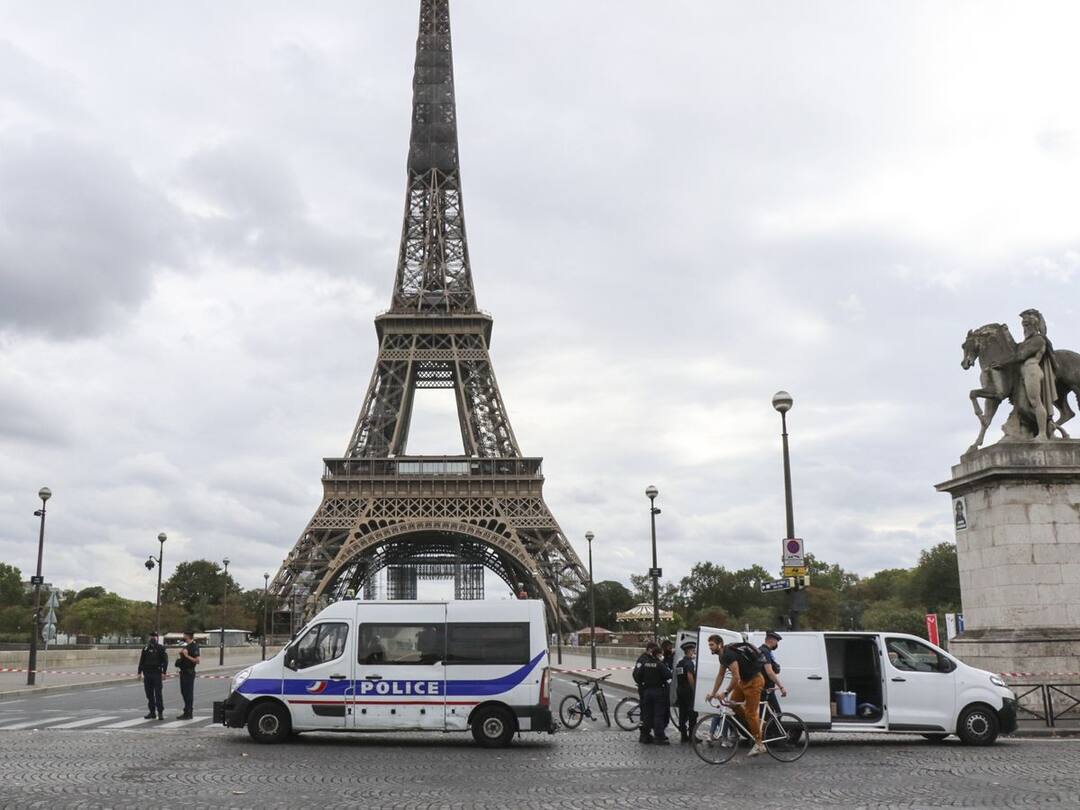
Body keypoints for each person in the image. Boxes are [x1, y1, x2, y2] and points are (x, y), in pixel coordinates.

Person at [706, 634, 767, 757]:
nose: (710, 647)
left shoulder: (728, 654)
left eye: (712, 645)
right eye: (709, 645)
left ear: (719, 644)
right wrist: (713, 693)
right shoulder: (722, 656)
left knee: (750, 713)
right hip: (743, 682)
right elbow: (720, 675)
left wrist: (726, 692)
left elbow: (736, 676)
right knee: (732, 704)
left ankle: (759, 744)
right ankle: (758, 722)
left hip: (754, 681)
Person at [632, 641, 672, 744]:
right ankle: (659, 736)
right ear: (658, 654)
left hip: (647, 691)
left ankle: (645, 735)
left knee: (646, 714)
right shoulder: (659, 664)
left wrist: (643, 684)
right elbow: (668, 675)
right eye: (661, 654)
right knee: (658, 714)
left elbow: (638, 675)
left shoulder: (645, 663)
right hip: (658, 691)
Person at [137, 631, 168, 720]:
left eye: (154, 637)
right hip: (147, 673)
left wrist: (164, 672)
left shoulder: (161, 648)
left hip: (157, 673)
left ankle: (160, 712)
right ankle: (152, 712)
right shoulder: (145, 648)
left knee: (158, 694)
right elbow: (142, 661)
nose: (152, 638)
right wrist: (139, 672)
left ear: (157, 638)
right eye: (151, 637)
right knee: (149, 694)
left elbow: (165, 661)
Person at [758, 630, 788, 717]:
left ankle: (765, 726)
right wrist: (781, 687)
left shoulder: (763, 650)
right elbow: (769, 672)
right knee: (777, 714)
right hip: (766, 688)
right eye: (776, 641)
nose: (777, 644)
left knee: (766, 715)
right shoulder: (765, 652)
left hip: (765, 687)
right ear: (771, 640)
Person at [674, 641, 698, 742]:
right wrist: (694, 689)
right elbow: (690, 676)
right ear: (689, 651)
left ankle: (683, 735)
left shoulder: (680, 663)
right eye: (693, 650)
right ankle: (692, 736)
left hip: (680, 690)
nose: (694, 652)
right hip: (688, 690)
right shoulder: (689, 663)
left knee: (682, 713)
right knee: (692, 714)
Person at [175, 630, 200, 719]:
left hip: (189, 672)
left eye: (184, 635)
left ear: (188, 636)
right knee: (184, 692)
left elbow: (197, 661)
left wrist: (186, 656)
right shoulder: (186, 646)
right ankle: (186, 711)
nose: (183, 636)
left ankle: (189, 713)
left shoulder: (194, 646)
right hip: (183, 672)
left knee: (188, 693)